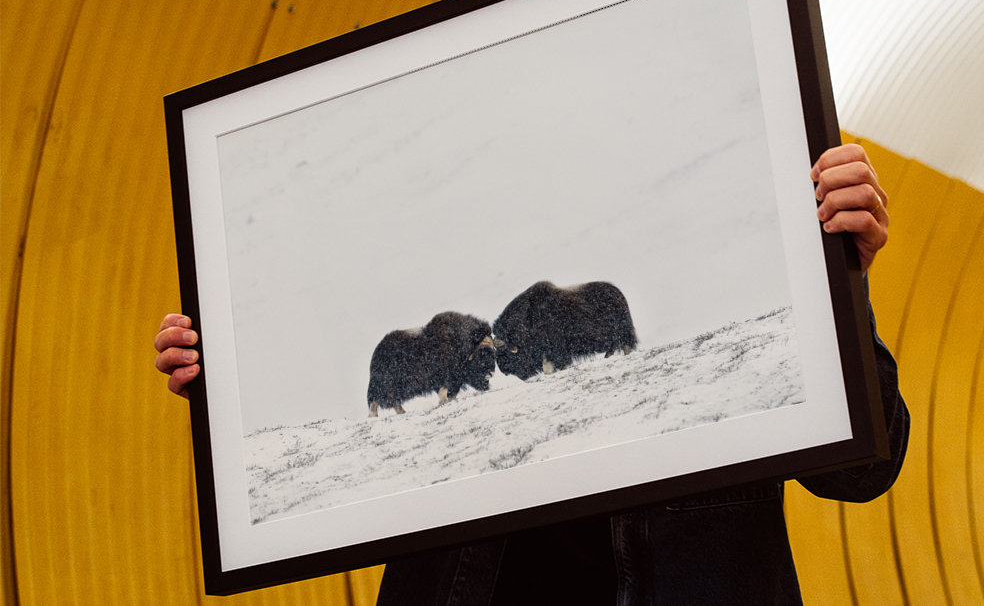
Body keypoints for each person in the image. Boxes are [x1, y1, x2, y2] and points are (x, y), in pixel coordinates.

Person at [155, 143, 909, 605]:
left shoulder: (762, 260)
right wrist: (234, 376)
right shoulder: (461, 321)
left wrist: (840, 279)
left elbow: (865, 470)